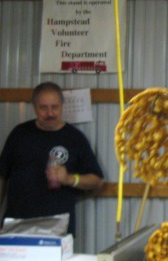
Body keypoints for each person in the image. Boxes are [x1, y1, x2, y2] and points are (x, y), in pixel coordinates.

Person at [0, 82, 104, 236]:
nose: (50, 113)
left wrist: (69, 178)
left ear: (62, 106)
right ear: (34, 107)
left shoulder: (74, 138)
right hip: (17, 227)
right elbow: (2, 177)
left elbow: (97, 180)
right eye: (44, 108)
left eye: (55, 107)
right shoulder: (19, 134)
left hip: (57, 229)